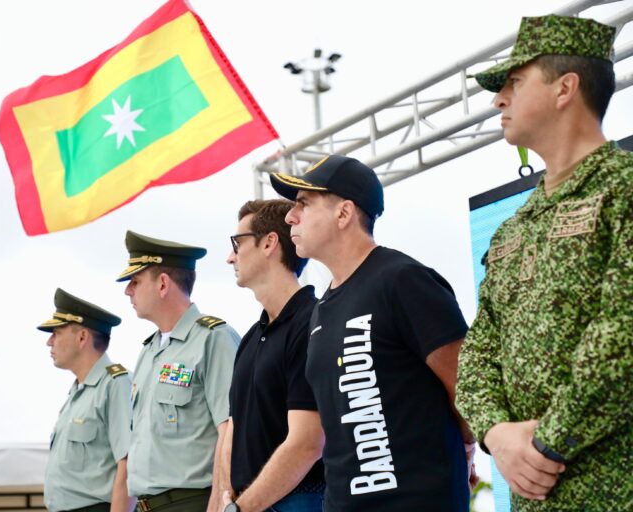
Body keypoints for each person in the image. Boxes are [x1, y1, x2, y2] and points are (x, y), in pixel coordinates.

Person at [455, 15, 632, 511]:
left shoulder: (624, 189)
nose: (499, 99)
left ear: (565, 89)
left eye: (514, 82)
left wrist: (545, 444)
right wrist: (496, 434)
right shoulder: (513, 229)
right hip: (533, 497)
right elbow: (478, 355)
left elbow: (622, 336)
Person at [269, 155, 475, 511]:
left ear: (344, 213)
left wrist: (467, 449)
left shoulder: (402, 280)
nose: (290, 216)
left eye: (303, 203)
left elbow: (469, 387)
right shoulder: (321, 309)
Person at [118, 231, 240, 512]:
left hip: (192, 502)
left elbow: (230, 431)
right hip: (145, 504)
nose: (128, 291)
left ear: (163, 284)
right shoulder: (148, 352)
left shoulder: (213, 339)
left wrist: (218, 505)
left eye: (135, 281)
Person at [220, 200, 326, 512]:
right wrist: (229, 500)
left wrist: (240, 508)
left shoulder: (314, 323)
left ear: (269, 243)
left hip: (299, 502)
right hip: (247, 504)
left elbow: (307, 443)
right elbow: (233, 431)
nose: (230, 258)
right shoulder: (250, 338)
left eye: (237, 244)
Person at [39, 288, 134, 512]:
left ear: (82, 337)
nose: (49, 342)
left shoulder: (116, 384)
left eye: (56, 333)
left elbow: (128, 464)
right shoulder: (77, 393)